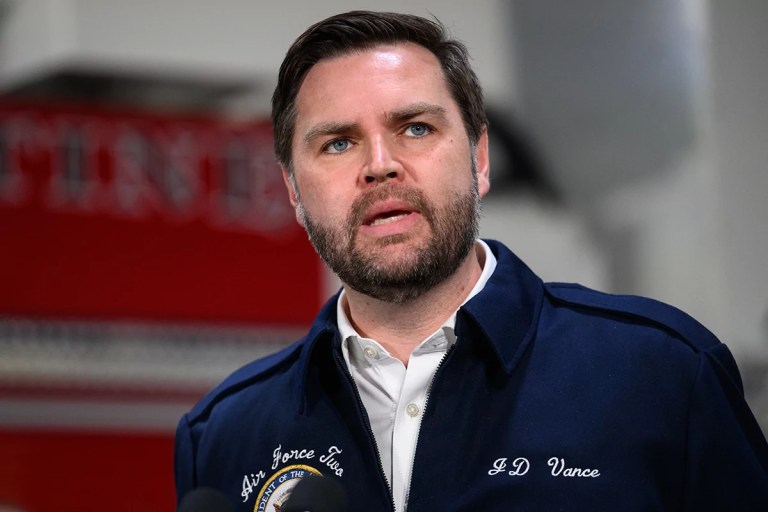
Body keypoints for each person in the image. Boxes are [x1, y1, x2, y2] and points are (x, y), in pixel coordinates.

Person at [175, 10, 768, 511]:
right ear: (294, 191)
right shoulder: (224, 433)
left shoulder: (662, 374)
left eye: (415, 128)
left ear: (479, 159)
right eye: (338, 142)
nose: (379, 165)